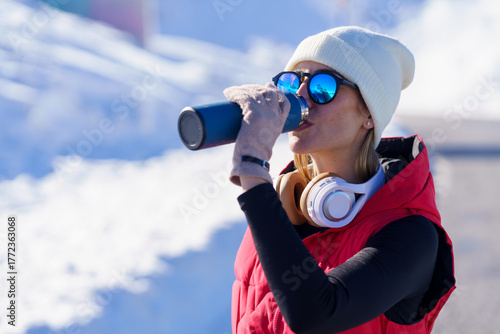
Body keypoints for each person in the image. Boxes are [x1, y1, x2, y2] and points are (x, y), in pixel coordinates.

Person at [224, 26, 455, 334]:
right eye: (292, 83)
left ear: (368, 113)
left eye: (324, 86)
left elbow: (316, 314)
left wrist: (253, 170)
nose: (302, 97)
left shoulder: (411, 235)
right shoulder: (283, 207)